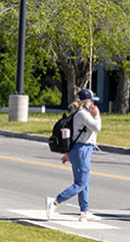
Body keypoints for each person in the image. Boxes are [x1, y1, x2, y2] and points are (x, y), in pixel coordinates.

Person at [47, 88, 102, 222]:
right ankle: (54, 202)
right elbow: (97, 127)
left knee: (84, 182)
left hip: (80, 149)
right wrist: (97, 115)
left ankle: (85, 211)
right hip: (82, 150)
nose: (94, 105)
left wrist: (68, 153)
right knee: (81, 183)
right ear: (86, 102)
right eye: (92, 102)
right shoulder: (82, 114)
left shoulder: (79, 113)